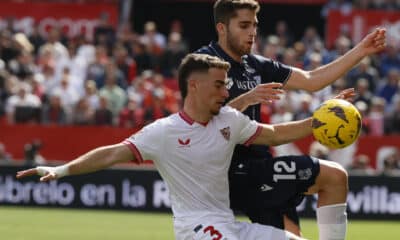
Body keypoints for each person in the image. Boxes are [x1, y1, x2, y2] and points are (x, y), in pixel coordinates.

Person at [17, 53, 355, 240]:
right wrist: (60, 169)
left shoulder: (229, 121)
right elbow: (111, 153)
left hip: (229, 223)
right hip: (197, 229)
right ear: (194, 86)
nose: (227, 92)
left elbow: (276, 134)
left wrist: (319, 120)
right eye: (220, 85)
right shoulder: (163, 132)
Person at [196, 0, 386, 237]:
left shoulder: (254, 65)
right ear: (222, 29)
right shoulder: (202, 63)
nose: (252, 32)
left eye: (254, 25)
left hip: (258, 168)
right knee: (334, 176)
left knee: (303, 220)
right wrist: (246, 99)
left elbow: (311, 79)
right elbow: (200, 124)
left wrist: (361, 51)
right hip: (226, 172)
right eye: (244, 25)